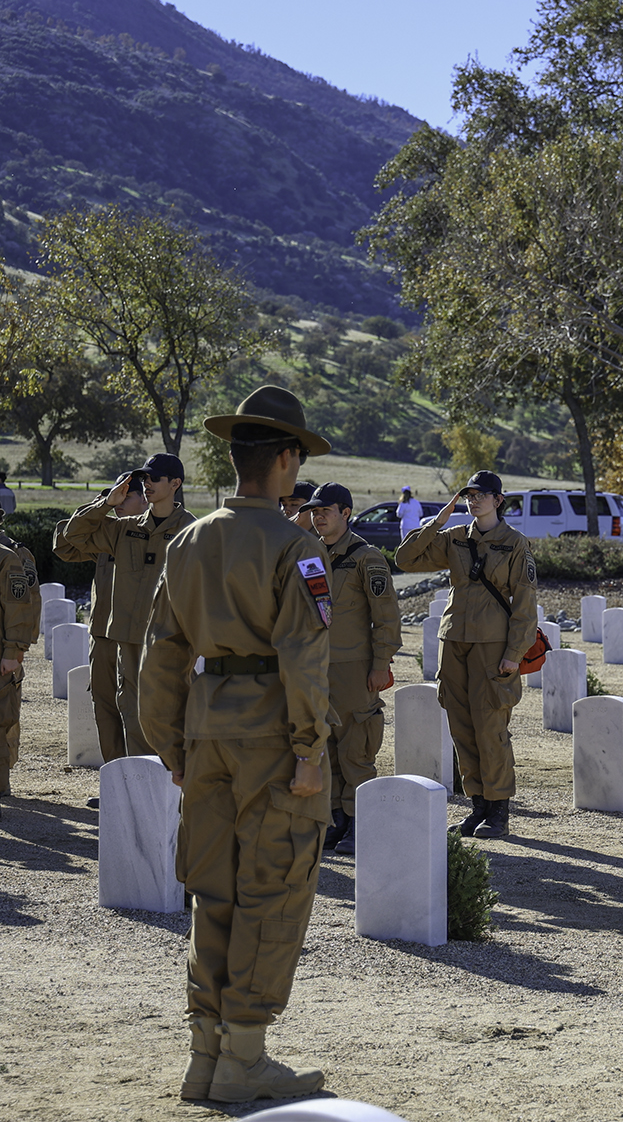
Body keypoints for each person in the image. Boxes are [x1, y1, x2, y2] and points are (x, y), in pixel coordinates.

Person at [139, 385, 335, 1103]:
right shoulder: (297, 546)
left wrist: (170, 745)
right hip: (273, 738)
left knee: (212, 891)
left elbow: (161, 652)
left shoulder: (189, 540)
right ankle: (244, 1057)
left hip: (206, 730)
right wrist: (312, 750)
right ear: (285, 460)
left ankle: (204, 1054)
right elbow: (303, 657)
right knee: (273, 892)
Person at [396, 470, 537, 839]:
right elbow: (406, 559)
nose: (474, 501)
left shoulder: (515, 543)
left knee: (490, 727)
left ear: (498, 500)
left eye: (481, 495)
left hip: (492, 645)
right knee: (461, 726)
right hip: (454, 639)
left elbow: (525, 604)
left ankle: (499, 809)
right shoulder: (456, 537)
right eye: (469, 495)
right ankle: (477, 804)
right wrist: (438, 520)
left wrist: (513, 653)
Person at [58, 453, 195, 757]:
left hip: (169, 640)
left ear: (175, 484)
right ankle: (135, 793)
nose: (147, 484)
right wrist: (106, 503)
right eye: (144, 479)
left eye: (154, 479)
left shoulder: (192, 530)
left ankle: (169, 794)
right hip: (128, 640)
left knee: (167, 714)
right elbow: (73, 534)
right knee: (131, 714)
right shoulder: (124, 528)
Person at [301, 483, 401, 855]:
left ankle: (361, 823)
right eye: (314, 511)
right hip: (315, 667)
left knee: (355, 748)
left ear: (345, 512)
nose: (318, 516)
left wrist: (380, 665)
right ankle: (336, 820)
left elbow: (386, 617)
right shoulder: (308, 555)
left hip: (354, 668)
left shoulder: (366, 557)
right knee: (323, 747)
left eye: (325, 510)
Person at [53, 481, 148, 766]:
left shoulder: (152, 533)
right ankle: (115, 784)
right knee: (105, 711)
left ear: (146, 499)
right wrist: (101, 505)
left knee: (137, 711)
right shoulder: (105, 533)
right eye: (114, 496)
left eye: (127, 496)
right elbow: (63, 544)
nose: (119, 501)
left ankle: (142, 782)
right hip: (104, 638)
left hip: (136, 639)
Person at [0, 506, 40, 798]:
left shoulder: (11, 556)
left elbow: (23, 605)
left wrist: (14, 650)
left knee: (3, 718)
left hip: (3, 652)